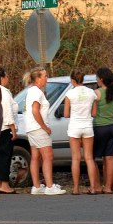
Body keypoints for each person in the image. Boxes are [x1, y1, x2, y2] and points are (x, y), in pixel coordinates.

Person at [24, 66, 66, 195]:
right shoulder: (36, 92)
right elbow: (35, 111)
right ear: (38, 79)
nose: (47, 78)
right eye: (45, 76)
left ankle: (36, 186)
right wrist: (45, 127)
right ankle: (49, 186)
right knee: (48, 156)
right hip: (38, 128)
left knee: (35, 156)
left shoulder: (31, 91)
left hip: (31, 127)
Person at [63, 71, 100, 195]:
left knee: (76, 158)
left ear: (73, 81)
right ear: (83, 79)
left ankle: (75, 188)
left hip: (74, 127)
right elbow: (94, 113)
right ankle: (93, 188)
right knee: (89, 158)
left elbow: (66, 114)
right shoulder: (92, 93)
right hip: (88, 126)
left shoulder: (70, 94)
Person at [93, 66, 113, 194]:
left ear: (101, 79)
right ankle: (108, 187)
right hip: (112, 127)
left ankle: (97, 186)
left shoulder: (97, 93)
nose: (96, 80)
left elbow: (92, 112)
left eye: (97, 78)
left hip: (99, 127)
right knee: (109, 158)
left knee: (91, 158)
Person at [0, 67, 18, 194]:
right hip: (5, 128)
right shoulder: (4, 92)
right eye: (6, 76)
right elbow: (6, 111)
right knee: (5, 156)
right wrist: (13, 129)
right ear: (1, 78)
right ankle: (5, 185)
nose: (8, 78)